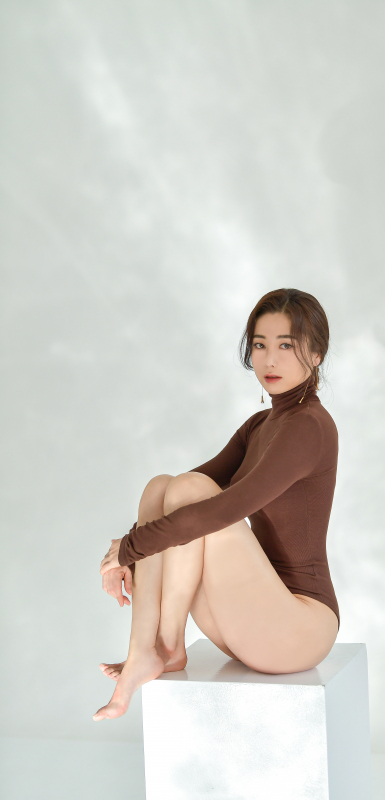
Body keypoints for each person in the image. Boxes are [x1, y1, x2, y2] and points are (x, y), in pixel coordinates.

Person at [93, 288, 340, 721]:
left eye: (286, 345)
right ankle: (149, 650)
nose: (269, 359)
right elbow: (171, 501)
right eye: (260, 345)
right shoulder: (260, 425)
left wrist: (131, 549)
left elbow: (223, 508)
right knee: (161, 487)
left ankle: (167, 644)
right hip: (249, 618)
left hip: (300, 627)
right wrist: (126, 549)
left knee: (190, 492)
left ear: (316, 354)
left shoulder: (310, 427)